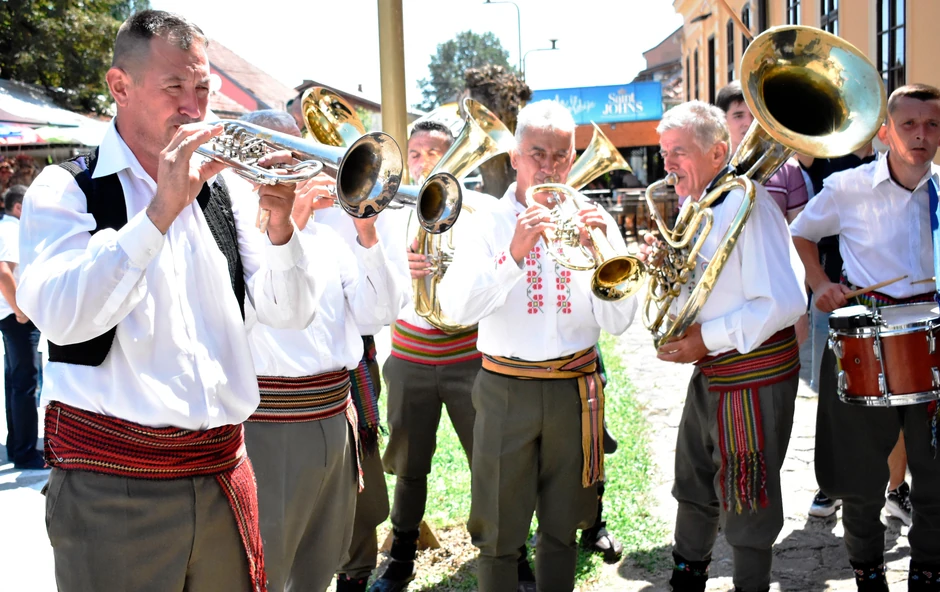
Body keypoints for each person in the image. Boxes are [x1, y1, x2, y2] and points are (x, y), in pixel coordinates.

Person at [18, 11, 321, 591]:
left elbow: (290, 313)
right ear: (120, 87)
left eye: (202, 88)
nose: (193, 106)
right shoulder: (64, 189)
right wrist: (160, 211)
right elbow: (61, 317)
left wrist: (281, 227)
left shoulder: (225, 189)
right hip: (115, 490)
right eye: (174, 87)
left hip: (222, 472)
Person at [437, 100, 639, 592]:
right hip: (507, 389)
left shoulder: (596, 221)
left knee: (562, 528)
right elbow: (458, 310)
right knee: (499, 534)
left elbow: (619, 321)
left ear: (573, 157)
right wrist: (513, 256)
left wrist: (599, 258)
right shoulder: (486, 222)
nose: (549, 168)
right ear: (513, 156)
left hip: (574, 389)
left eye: (561, 156)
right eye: (537, 154)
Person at [640, 101, 806, 592]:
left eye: (680, 152)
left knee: (747, 497)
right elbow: (698, 292)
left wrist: (702, 339)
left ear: (717, 152)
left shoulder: (747, 205)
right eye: (664, 152)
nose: (668, 164)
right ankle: (686, 577)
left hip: (751, 374)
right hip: (712, 369)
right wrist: (668, 274)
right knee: (693, 482)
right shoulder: (701, 205)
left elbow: (782, 302)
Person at [236, 109, 401, 592]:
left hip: (334, 415)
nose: (293, 162)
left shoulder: (332, 237)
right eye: (276, 152)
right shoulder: (238, 230)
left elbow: (378, 314)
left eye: (299, 152)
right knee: (270, 564)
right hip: (271, 422)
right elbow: (268, 313)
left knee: (321, 563)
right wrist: (290, 223)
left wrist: (366, 230)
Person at [790, 84, 940, 591]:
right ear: (885, 132)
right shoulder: (847, 187)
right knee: (859, 478)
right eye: (909, 125)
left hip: (931, 340)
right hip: (864, 339)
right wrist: (821, 285)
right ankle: (868, 573)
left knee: (935, 470)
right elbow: (802, 235)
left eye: (932, 125)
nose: (921, 136)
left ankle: (927, 570)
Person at [364, 119, 484, 592]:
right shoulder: (390, 213)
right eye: (416, 151)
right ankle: (401, 557)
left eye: (435, 150)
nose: (423, 159)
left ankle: (500, 548)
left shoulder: (473, 212)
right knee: (409, 463)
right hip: (411, 356)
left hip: (467, 355)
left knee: (487, 460)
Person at [715, 81, 809, 222]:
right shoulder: (706, 169)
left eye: (754, 114)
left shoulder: (789, 169)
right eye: (738, 115)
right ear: (723, 120)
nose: (749, 122)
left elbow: (798, 233)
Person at [0, 184, 43, 470]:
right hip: (16, 317)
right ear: (18, 207)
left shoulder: (7, 227)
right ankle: (26, 452)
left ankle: (18, 446)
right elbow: (4, 271)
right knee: (25, 383)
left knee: (17, 382)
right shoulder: (12, 228)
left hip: (11, 315)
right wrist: (20, 310)